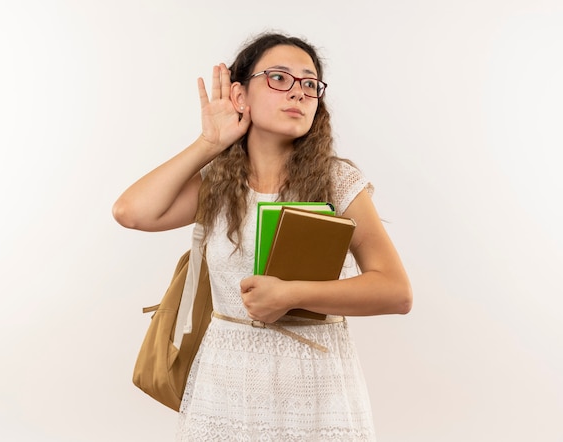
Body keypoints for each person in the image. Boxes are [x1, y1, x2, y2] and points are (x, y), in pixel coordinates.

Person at [113, 31, 412, 441]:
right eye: (279, 78)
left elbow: (395, 291)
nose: (299, 92)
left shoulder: (337, 181)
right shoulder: (215, 183)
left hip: (317, 387)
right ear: (240, 96)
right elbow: (130, 212)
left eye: (310, 83)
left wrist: (291, 295)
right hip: (225, 386)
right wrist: (209, 143)